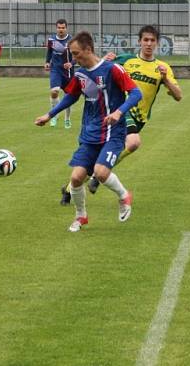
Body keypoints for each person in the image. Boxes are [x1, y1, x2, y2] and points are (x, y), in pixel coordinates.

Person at [35, 31, 142, 232]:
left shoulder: (112, 70)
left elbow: (136, 93)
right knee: (76, 178)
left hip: (112, 133)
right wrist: (50, 115)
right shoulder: (80, 74)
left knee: (101, 172)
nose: (74, 58)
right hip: (90, 134)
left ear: (88, 49)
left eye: (76, 54)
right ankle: (81, 216)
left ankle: (124, 196)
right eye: (72, 55)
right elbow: (71, 96)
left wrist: (119, 112)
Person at [64, 25, 182, 203]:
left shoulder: (162, 67)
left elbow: (178, 96)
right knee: (133, 142)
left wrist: (165, 80)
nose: (148, 44)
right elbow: (98, 66)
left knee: (102, 156)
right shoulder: (126, 60)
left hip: (140, 117)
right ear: (139, 41)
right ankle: (97, 177)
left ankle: (71, 188)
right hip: (121, 111)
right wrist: (106, 58)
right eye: (145, 40)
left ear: (157, 43)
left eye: (152, 40)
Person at [44, 19, 74, 128]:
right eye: (59, 28)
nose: (61, 30)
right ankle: (54, 115)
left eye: (63, 28)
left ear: (66, 28)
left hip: (68, 72)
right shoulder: (51, 39)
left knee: (68, 97)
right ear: (56, 28)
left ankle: (67, 118)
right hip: (55, 70)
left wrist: (71, 63)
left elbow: (77, 55)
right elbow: (49, 52)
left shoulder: (71, 40)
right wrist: (47, 62)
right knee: (54, 91)